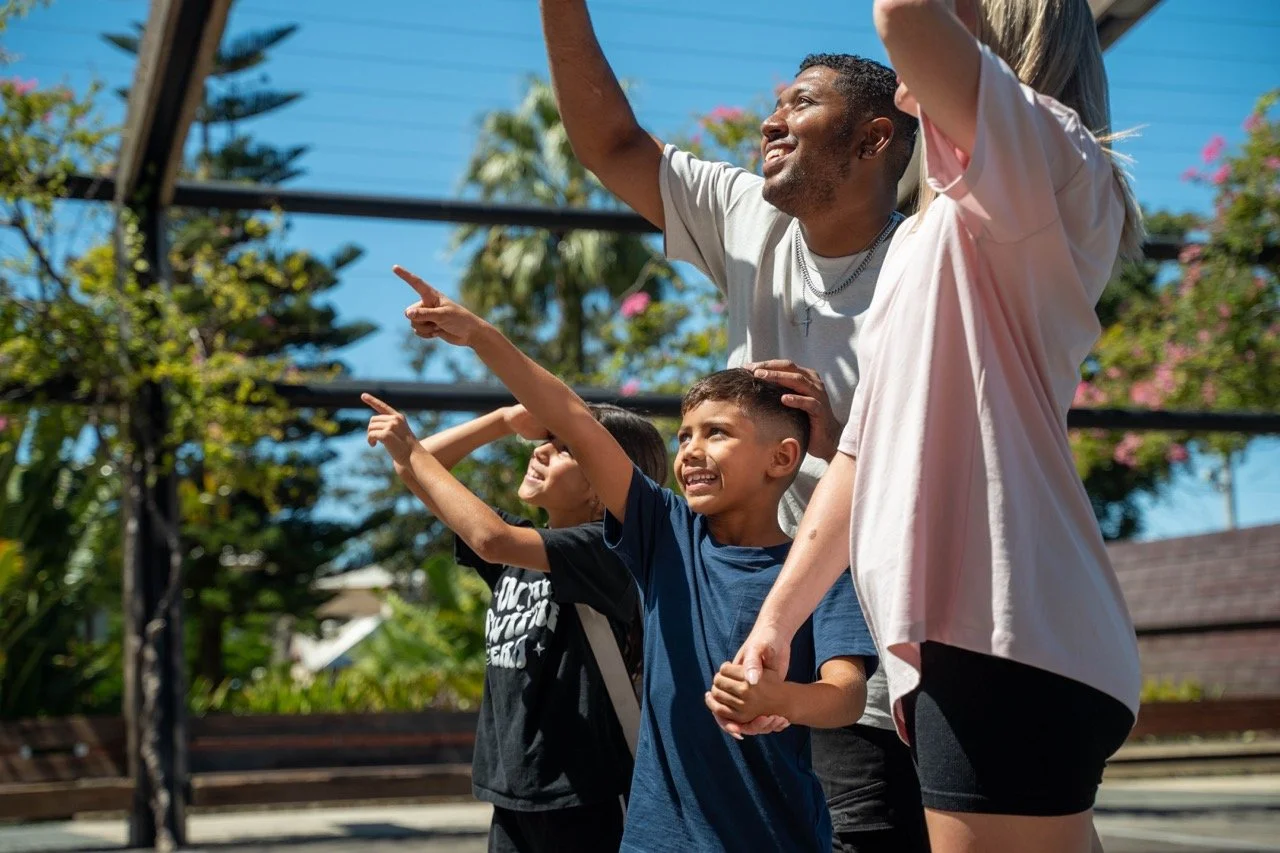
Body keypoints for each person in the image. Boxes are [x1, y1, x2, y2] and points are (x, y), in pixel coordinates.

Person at [737, 0, 1146, 851]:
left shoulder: (1044, 152)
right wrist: (778, 619)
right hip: (985, 637)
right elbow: (862, 450)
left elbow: (902, 16)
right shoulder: (939, 232)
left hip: (1005, 632)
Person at [537, 2, 927, 847]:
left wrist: (841, 441)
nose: (770, 121)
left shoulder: (927, 266)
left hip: (857, 659)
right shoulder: (751, 215)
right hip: (737, 643)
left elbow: (959, 478)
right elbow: (611, 144)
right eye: (775, 104)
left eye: (801, 104)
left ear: (874, 140)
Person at [397, 264, 879, 853]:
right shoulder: (665, 533)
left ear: (781, 458)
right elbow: (572, 417)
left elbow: (846, 695)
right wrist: (479, 335)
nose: (691, 451)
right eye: (684, 436)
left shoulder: (819, 568)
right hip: (656, 840)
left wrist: (781, 700)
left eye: (717, 433)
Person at [363, 385, 667, 853]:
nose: (541, 451)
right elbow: (417, 470)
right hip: (513, 791)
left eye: (565, 449)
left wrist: (411, 449)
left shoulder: (607, 553)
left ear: (604, 483)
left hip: (587, 794)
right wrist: (503, 420)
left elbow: (489, 538)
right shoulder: (520, 550)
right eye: (548, 441)